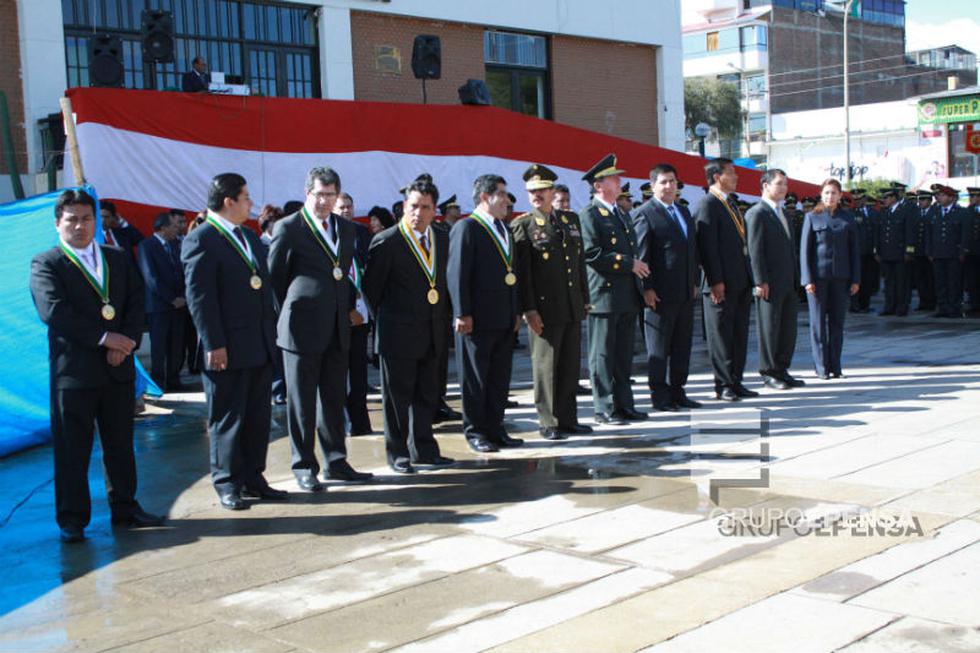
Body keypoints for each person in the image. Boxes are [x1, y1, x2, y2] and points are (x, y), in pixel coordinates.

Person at [30, 189, 164, 542]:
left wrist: (128, 340)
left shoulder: (116, 258)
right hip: (74, 374)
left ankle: (126, 508)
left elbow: (136, 301)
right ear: (58, 223)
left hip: (117, 370)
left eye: (87, 218)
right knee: (73, 449)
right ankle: (72, 519)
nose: (80, 225)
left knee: (120, 444)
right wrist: (107, 339)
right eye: (72, 219)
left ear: (97, 222)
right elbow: (54, 312)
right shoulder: (47, 263)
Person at [182, 173, 285, 509]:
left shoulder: (249, 238)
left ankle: (253, 476)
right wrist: (214, 343)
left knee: (257, 416)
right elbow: (200, 298)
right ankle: (227, 481)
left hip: (258, 343)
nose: (250, 203)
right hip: (226, 347)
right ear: (229, 201)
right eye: (245, 197)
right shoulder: (202, 239)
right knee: (228, 417)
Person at [268, 167, 373, 491]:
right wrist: (294, 312)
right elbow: (275, 280)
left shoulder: (346, 228)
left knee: (333, 397)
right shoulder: (289, 228)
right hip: (301, 329)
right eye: (319, 195)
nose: (325, 202)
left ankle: (336, 461)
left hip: (337, 327)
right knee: (301, 402)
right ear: (307, 194)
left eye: (331, 195)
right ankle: (303, 465)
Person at [363, 178, 456, 473]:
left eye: (424, 207)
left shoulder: (442, 238)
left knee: (427, 395)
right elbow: (371, 291)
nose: (418, 212)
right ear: (405, 207)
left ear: (434, 211)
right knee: (397, 399)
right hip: (397, 334)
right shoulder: (387, 241)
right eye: (413, 206)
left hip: (432, 331)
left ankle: (425, 449)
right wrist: (391, 320)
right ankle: (398, 453)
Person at [511, 164, 592, 440]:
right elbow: (524, 274)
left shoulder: (570, 221)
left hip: (571, 305)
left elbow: (578, 263)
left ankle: (568, 419)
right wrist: (529, 309)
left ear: (552, 191)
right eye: (532, 190)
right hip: (544, 309)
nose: (537, 195)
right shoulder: (523, 225)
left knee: (569, 366)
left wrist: (584, 297)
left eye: (542, 189)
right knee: (546, 368)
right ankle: (548, 421)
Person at [448, 174, 523, 453]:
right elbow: (457, 273)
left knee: (499, 377)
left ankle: (496, 427)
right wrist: (462, 312)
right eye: (501, 194)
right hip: (476, 320)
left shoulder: (504, 228)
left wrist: (516, 310)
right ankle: (476, 431)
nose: (506, 199)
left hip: (504, 317)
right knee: (476, 378)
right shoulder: (467, 228)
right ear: (484, 197)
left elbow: (513, 273)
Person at [579, 153, 648, 424]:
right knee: (603, 355)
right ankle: (604, 407)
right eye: (614, 178)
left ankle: (624, 404)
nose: (620, 181)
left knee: (622, 354)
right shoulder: (590, 215)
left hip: (626, 294)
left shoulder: (621, 213)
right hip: (604, 295)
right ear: (599, 186)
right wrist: (629, 264)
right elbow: (592, 253)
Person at [631, 163, 702, 411]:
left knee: (682, 346)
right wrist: (646, 288)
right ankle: (660, 396)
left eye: (673, 181)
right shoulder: (645, 213)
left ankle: (678, 391)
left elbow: (691, 252)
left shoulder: (683, 212)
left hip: (684, 292)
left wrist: (694, 282)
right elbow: (642, 255)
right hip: (659, 295)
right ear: (652, 186)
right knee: (659, 349)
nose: (669, 186)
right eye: (663, 182)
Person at [695, 158, 757, 402]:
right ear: (716, 177)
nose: (736, 176)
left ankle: (736, 379)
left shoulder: (730, 202)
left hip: (740, 280)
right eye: (731, 173)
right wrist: (715, 281)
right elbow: (707, 248)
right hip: (720, 283)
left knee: (738, 333)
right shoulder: (708, 204)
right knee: (721, 335)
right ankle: (723, 384)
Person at [745, 169, 805, 391]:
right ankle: (769, 371)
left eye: (785, 184)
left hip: (788, 281)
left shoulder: (784, 213)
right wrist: (760, 281)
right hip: (769, 283)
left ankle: (782, 369)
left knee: (787, 328)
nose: (783, 188)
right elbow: (755, 250)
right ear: (765, 185)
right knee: (770, 328)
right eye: (779, 184)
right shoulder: (757, 213)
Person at [800, 178, 860, 379]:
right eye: (826, 193)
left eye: (834, 193)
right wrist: (807, 279)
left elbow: (854, 251)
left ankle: (836, 366)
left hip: (841, 279)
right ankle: (821, 367)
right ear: (821, 194)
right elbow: (804, 252)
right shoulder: (812, 217)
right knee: (818, 325)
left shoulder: (847, 219)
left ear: (840, 196)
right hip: (818, 280)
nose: (830, 196)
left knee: (837, 324)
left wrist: (855, 279)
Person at [336, 191, 374, 435]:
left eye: (349, 206)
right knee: (340, 371)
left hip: (363, 307)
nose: (346, 211)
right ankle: (345, 422)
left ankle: (360, 423)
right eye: (342, 207)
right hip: (340, 310)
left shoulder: (360, 233)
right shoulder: (329, 234)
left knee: (359, 370)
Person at [138, 212, 188, 392]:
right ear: (163, 228)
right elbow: (151, 278)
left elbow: (184, 272)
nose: (177, 229)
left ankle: (174, 380)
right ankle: (159, 381)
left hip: (179, 305)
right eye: (174, 226)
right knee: (159, 346)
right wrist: (171, 299)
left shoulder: (177, 245)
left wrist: (182, 297)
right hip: (159, 306)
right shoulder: (147, 246)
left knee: (176, 345)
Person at [926, 184, 967, 318]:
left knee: (954, 282)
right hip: (938, 253)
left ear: (951, 197)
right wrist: (930, 251)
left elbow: (964, 235)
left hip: (953, 254)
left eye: (943, 195)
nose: (939, 198)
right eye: (938, 195)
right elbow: (929, 234)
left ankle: (954, 308)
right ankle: (942, 307)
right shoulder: (935, 212)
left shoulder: (960, 213)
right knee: (940, 282)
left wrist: (962, 252)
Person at [875, 188, 910, 316]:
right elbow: (879, 233)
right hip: (886, 253)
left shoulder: (904, 212)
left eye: (887, 198)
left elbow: (909, 233)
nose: (884, 200)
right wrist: (877, 250)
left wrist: (909, 251)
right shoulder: (885, 213)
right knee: (889, 282)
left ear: (894, 198)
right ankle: (889, 306)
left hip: (900, 253)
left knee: (901, 282)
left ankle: (902, 307)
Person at [850, 190, 879, 313]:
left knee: (868, 279)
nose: (857, 202)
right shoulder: (850, 214)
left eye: (859, 199)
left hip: (870, 252)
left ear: (864, 199)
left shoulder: (873, 213)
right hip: (856, 253)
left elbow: (877, 232)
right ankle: (855, 304)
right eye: (855, 200)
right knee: (856, 279)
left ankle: (865, 304)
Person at [909, 189, 937, 312]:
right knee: (920, 279)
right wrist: (910, 251)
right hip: (918, 252)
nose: (920, 202)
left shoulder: (934, 212)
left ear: (929, 201)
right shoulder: (916, 214)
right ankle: (923, 301)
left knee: (931, 278)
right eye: (919, 199)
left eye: (923, 199)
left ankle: (932, 302)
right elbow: (912, 234)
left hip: (930, 252)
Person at [963, 187, 980, 315]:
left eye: (974, 196)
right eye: (971, 197)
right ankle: (974, 303)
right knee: (972, 279)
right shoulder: (968, 211)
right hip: (971, 251)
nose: (972, 199)